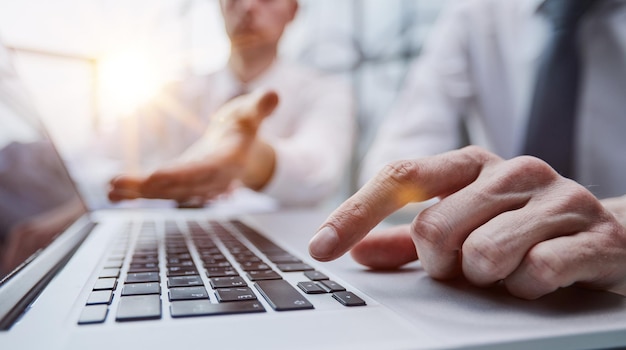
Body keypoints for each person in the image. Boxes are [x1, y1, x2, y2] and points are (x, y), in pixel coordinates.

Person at [310, 0, 626, 299]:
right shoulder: (475, 12)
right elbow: (397, 159)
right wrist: (461, 210)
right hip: (501, 273)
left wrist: (617, 227)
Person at [105, 0, 354, 208]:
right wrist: (157, 182)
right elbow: (94, 159)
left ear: (293, 10)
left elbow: (321, 172)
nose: (247, 6)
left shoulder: (325, 91)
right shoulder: (174, 97)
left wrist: (253, 160)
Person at [309, 146, 626, 300]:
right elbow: (397, 150)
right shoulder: (470, 17)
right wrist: (448, 213)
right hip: (485, 258)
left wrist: (615, 229)